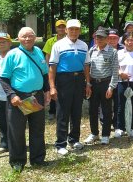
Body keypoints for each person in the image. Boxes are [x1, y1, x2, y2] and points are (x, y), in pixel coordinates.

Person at [0, 27, 49, 172]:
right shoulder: (12, 55)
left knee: (38, 129)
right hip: (18, 98)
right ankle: (17, 161)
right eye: (24, 36)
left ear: (35, 37)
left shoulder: (39, 52)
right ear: (18, 39)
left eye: (30, 36)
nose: (27, 39)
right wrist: (12, 95)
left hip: (37, 96)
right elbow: (3, 78)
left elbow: (45, 74)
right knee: (16, 131)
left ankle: (38, 159)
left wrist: (46, 91)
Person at [48, 19, 91, 156]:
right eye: (71, 29)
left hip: (79, 79)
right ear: (66, 30)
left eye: (76, 29)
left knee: (76, 110)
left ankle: (74, 139)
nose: (74, 31)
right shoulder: (58, 45)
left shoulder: (84, 45)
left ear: (80, 30)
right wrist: (52, 86)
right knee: (63, 112)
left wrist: (88, 83)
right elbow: (52, 67)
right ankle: (61, 143)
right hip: (64, 79)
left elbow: (86, 65)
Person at [85, 29, 119, 145]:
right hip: (93, 84)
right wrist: (88, 84)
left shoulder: (113, 52)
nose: (99, 40)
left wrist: (111, 87)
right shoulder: (91, 50)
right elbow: (87, 68)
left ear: (107, 39)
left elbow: (115, 71)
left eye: (101, 38)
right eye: (97, 38)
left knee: (107, 110)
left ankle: (105, 134)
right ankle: (94, 133)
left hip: (106, 84)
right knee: (92, 110)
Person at [42, 19, 66, 120]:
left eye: (63, 27)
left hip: (64, 70)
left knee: (64, 90)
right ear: (56, 28)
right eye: (59, 27)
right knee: (53, 89)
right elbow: (47, 56)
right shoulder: (50, 41)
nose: (61, 28)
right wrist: (48, 69)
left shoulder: (69, 40)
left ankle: (64, 110)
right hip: (53, 70)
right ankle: (52, 111)